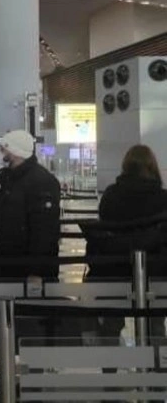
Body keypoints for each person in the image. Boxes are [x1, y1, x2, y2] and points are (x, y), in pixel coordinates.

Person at [0, 130, 61, 345]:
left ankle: (25, 363)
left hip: (23, 270)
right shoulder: (10, 181)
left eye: (4, 149)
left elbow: (44, 231)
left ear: (15, 151)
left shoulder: (41, 182)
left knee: (28, 327)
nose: (1, 153)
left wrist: (36, 271)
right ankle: (6, 360)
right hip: (4, 266)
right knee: (1, 322)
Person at [85, 145, 167, 342]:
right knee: (154, 324)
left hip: (112, 270)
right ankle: (155, 359)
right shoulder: (162, 198)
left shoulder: (111, 195)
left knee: (111, 325)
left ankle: (110, 359)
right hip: (156, 271)